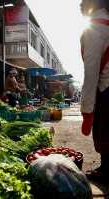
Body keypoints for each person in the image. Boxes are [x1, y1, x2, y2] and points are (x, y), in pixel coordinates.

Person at [80, 0, 109, 179]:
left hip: (106, 90)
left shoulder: (94, 30)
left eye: (83, 1)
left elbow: (91, 75)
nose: (80, 5)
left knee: (104, 131)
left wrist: (87, 111)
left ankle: (107, 170)